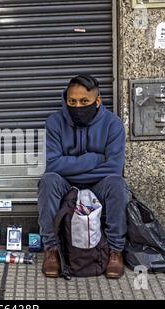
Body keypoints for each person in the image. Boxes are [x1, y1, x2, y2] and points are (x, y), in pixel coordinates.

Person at [38, 74, 130, 279]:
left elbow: (114, 168)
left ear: (97, 101)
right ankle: (51, 250)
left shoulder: (113, 124)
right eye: (72, 101)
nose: (77, 106)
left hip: (100, 184)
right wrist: (96, 159)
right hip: (66, 185)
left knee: (117, 184)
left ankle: (116, 251)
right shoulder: (54, 122)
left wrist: (70, 165)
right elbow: (52, 164)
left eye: (84, 101)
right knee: (48, 181)